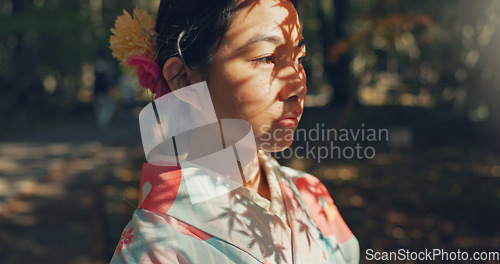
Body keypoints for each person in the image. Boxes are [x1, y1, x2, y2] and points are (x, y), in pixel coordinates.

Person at [109, 0, 359, 263]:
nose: (297, 85)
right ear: (184, 80)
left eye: (299, 58)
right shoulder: (156, 249)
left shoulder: (310, 192)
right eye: (266, 58)